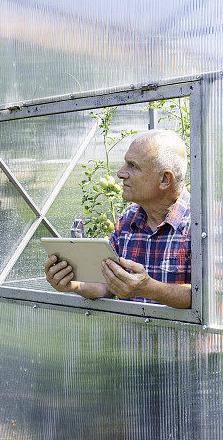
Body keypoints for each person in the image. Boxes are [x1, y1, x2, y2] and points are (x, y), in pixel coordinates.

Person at [44, 129, 191, 309]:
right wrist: (72, 284)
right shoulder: (128, 219)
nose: (121, 173)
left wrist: (149, 289)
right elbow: (107, 284)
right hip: (131, 337)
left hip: (185, 338)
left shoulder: (200, 224)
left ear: (164, 179)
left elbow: (214, 297)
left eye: (133, 166)